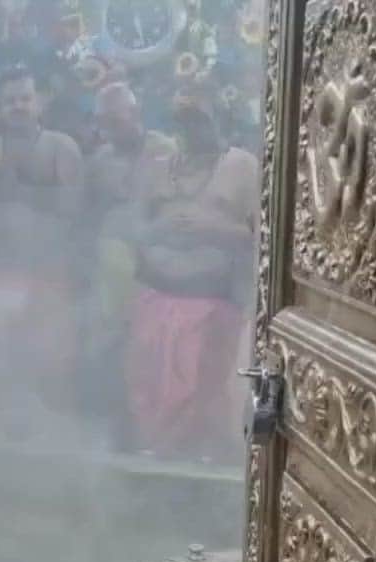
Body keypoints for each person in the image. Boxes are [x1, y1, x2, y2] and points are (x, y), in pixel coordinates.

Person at [125, 79, 258, 462]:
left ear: (219, 119)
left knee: (202, 393)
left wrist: (213, 230)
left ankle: (202, 472)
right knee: (148, 385)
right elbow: (133, 229)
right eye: (181, 119)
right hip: (155, 294)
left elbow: (261, 236)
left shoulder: (241, 166)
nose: (189, 128)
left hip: (212, 304)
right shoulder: (157, 167)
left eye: (198, 118)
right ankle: (153, 467)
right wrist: (158, 230)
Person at [0, 64, 85, 420]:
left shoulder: (60, 147)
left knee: (51, 365)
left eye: (24, 98)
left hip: (47, 274)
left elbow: (73, 208)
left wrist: (17, 191)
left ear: (39, 103)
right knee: (0, 365)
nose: (17, 106)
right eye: (9, 101)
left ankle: (60, 446)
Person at [84, 82, 176, 443]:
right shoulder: (100, 161)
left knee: (150, 349)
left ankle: (154, 432)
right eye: (103, 121)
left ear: (135, 113)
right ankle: (116, 425)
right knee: (110, 346)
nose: (109, 127)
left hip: (156, 267)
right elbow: (91, 214)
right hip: (111, 268)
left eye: (116, 118)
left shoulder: (165, 150)